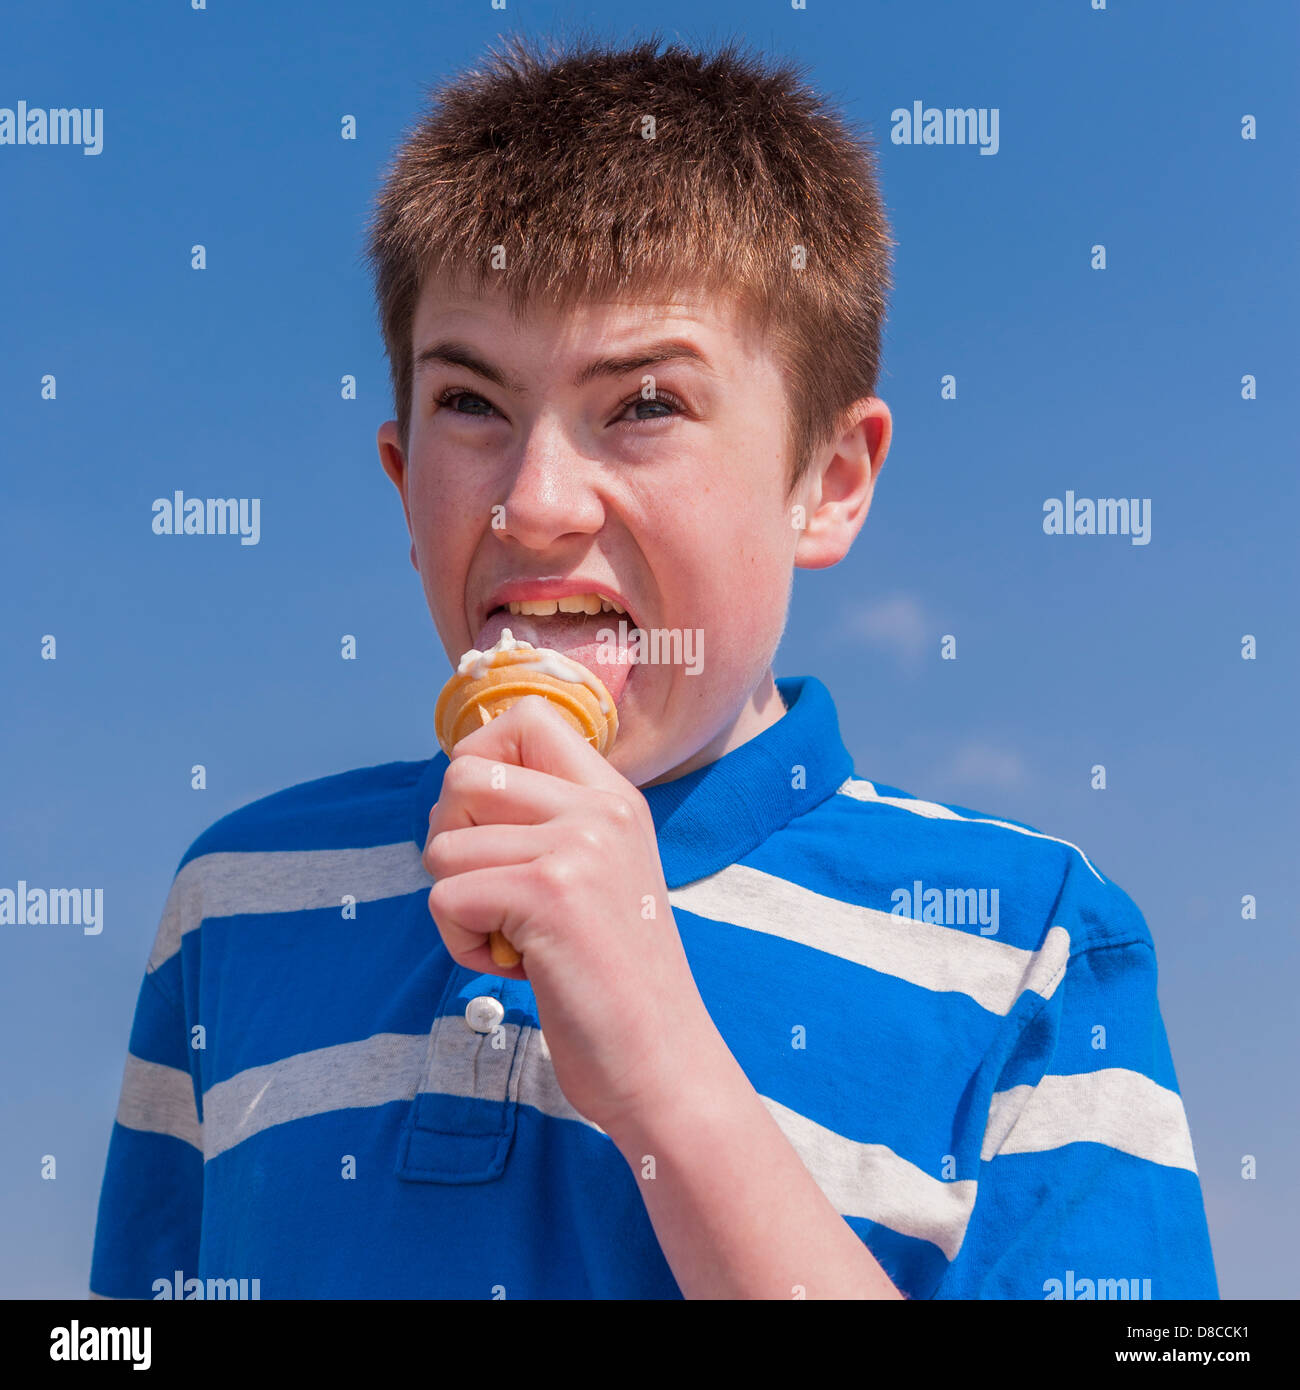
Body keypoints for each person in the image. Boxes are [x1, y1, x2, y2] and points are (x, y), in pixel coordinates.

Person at [90, 34, 1218, 1300]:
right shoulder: (237, 902)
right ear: (405, 483)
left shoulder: (1036, 947)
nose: (536, 503)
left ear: (826, 484)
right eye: (473, 404)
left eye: (644, 405)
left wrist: (667, 1081)